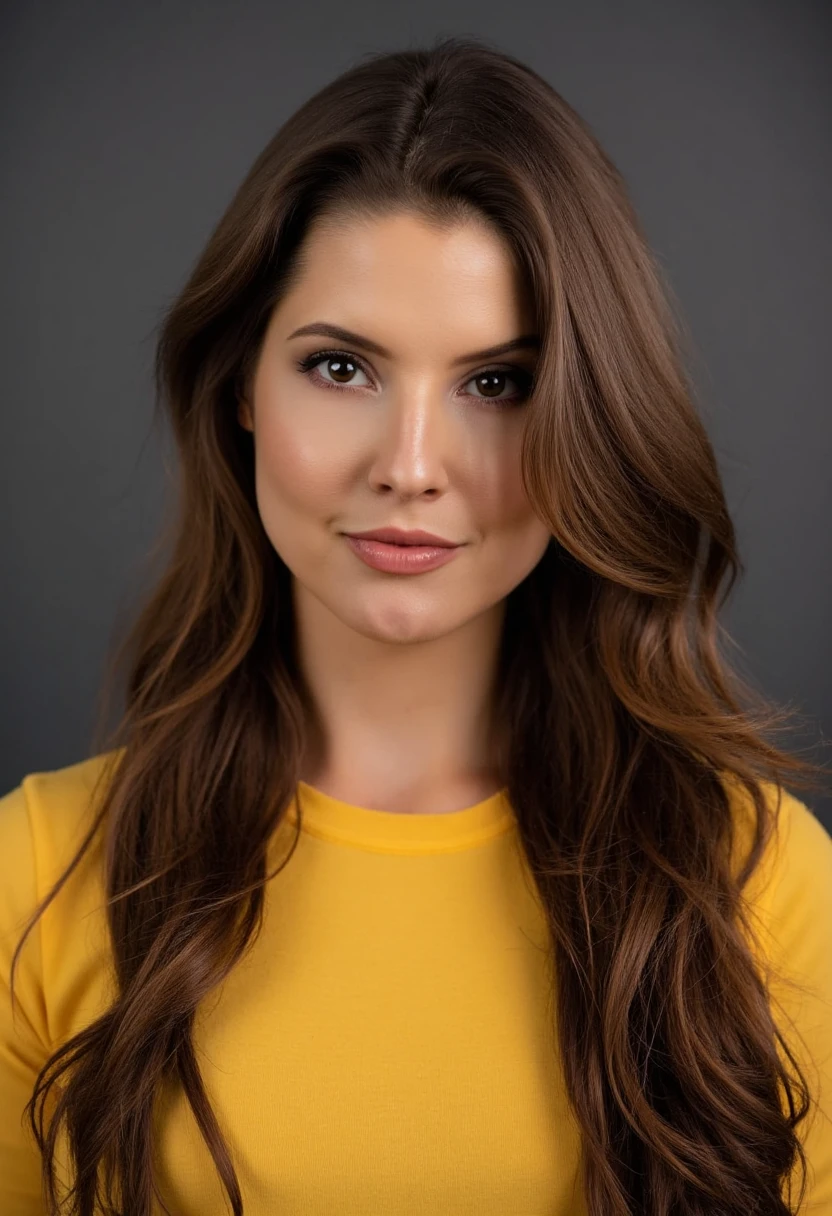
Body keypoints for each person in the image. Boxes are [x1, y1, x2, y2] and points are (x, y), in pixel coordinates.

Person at [1, 33, 830, 1216]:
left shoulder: (755, 880)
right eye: (342, 368)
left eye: (497, 383)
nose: (411, 466)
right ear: (240, 384)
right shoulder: (38, 875)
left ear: (590, 422)